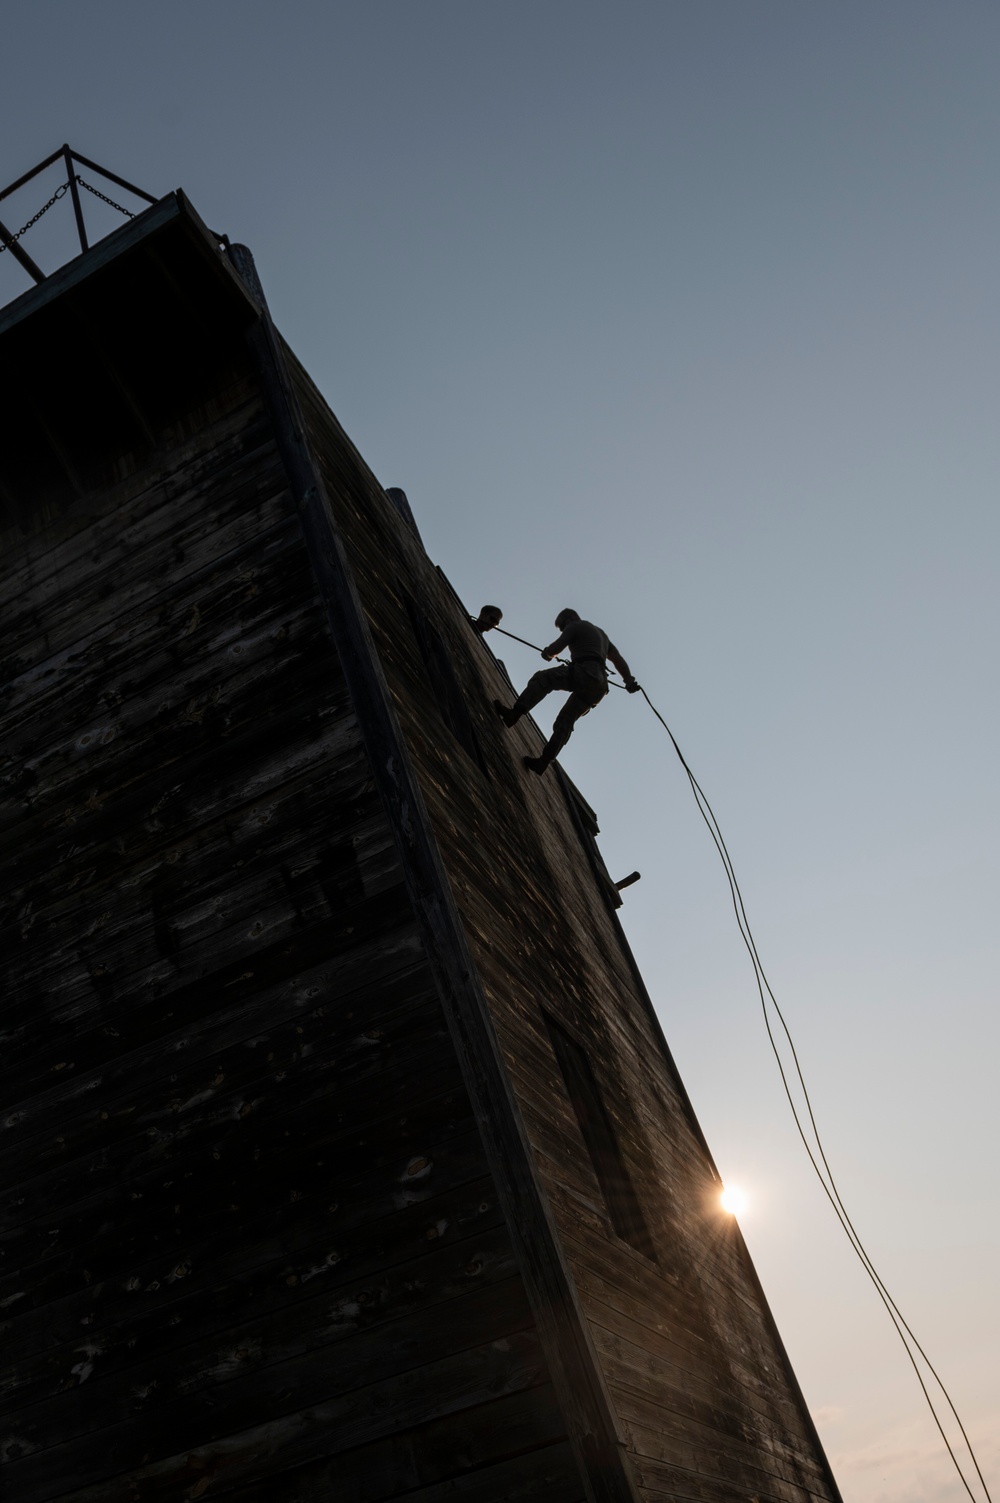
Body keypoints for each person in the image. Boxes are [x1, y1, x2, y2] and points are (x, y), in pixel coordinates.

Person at [494, 608, 639, 774]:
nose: (563, 629)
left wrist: (548, 653)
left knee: (543, 678)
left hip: (585, 672)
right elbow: (618, 659)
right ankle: (543, 761)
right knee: (565, 721)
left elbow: (558, 646)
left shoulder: (575, 625)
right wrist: (629, 681)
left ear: (569, 618)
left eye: (562, 626)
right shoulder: (602, 635)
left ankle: (514, 714)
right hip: (600, 686)